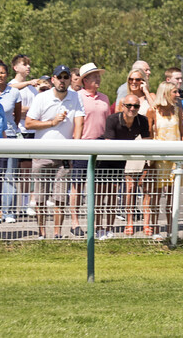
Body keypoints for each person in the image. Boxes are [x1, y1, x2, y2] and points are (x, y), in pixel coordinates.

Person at [25, 65, 85, 239]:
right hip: (42, 153)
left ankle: (57, 233)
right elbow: (29, 123)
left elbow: (79, 121)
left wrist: (76, 146)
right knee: (41, 198)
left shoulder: (75, 97)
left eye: (66, 77)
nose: (62, 80)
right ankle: (42, 233)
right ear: (53, 79)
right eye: (60, 77)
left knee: (60, 198)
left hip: (64, 154)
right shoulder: (42, 98)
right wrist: (51, 123)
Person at [100, 94, 151, 236]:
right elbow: (109, 144)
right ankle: (98, 228)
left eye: (136, 106)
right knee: (102, 193)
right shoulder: (112, 119)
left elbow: (147, 142)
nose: (132, 109)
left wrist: (146, 166)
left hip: (127, 155)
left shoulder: (142, 120)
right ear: (123, 106)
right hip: (108, 157)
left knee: (120, 192)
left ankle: (109, 228)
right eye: (129, 106)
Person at [73, 63, 111, 239]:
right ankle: (75, 222)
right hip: (82, 144)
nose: (98, 79)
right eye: (94, 76)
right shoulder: (77, 96)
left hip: (101, 145)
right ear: (85, 80)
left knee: (99, 187)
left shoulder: (104, 98)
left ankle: (96, 223)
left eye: (98, 76)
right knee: (77, 185)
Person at [144, 82, 183, 241]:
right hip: (159, 160)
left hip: (175, 159)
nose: (178, 95)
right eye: (175, 92)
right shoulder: (152, 111)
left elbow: (181, 133)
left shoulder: (177, 110)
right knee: (155, 196)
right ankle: (154, 230)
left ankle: (171, 231)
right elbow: (149, 134)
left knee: (172, 197)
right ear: (166, 93)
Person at [118, 68, 154, 226]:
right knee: (130, 187)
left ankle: (147, 223)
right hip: (130, 145)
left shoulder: (149, 98)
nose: (134, 82)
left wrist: (145, 91)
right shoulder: (124, 99)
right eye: (131, 79)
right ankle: (129, 221)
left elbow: (157, 111)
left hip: (146, 143)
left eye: (138, 79)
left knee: (146, 187)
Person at [10, 55, 39, 216]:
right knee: (18, 171)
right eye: (24, 64)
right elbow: (14, 110)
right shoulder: (12, 86)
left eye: (29, 64)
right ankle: (17, 205)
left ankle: (29, 203)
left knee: (32, 170)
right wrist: (30, 110)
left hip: (33, 131)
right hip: (19, 132)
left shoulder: (33, 89)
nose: (28, 67)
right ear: (15, 67)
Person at [0, 60, 22, 223]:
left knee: (10, 176)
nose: (0, 75)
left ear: (7, 74)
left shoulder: (14, 92)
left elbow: (17, 115)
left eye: (2, 72)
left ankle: (9, 212)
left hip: (10, 137)